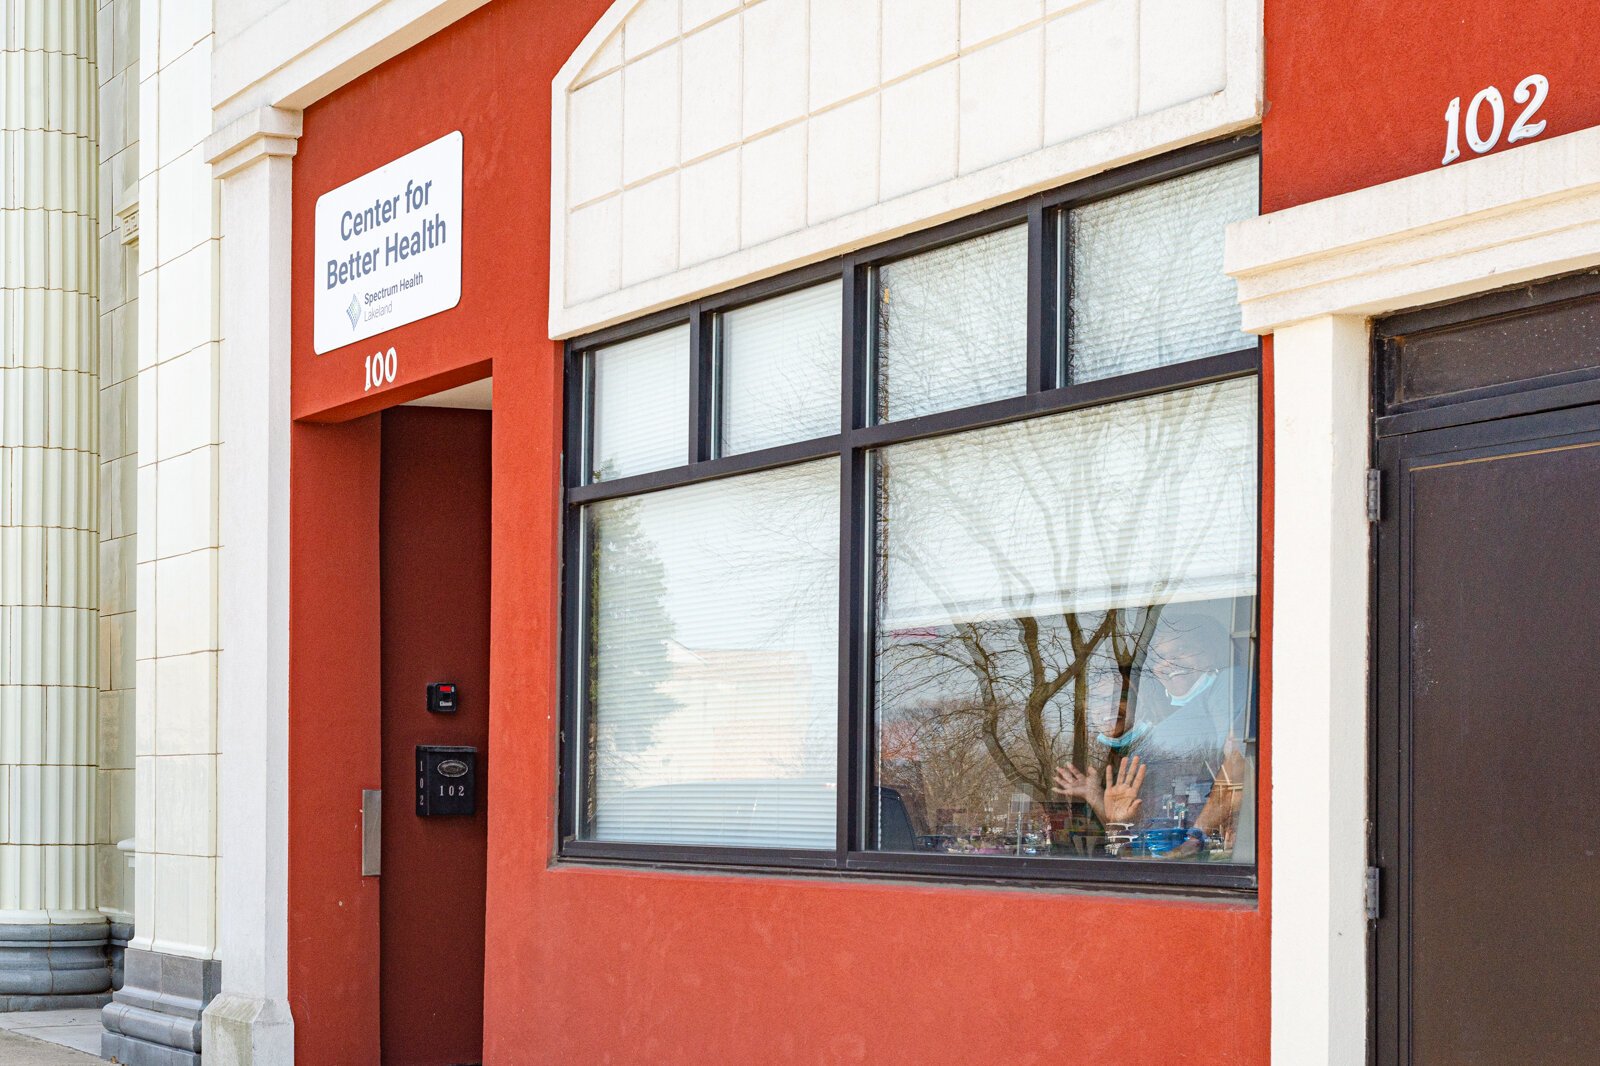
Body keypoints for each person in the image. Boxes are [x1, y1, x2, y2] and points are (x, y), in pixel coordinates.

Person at [1054, 610, 1255, 859]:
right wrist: (1095, 797)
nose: (1169, 664)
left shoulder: (1227, 685)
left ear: (1213, 651)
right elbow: (1131, 830)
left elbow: (1237, 762)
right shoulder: (1150, 742)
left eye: (1182, 650)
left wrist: (1195, 839)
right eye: (1160, 657)